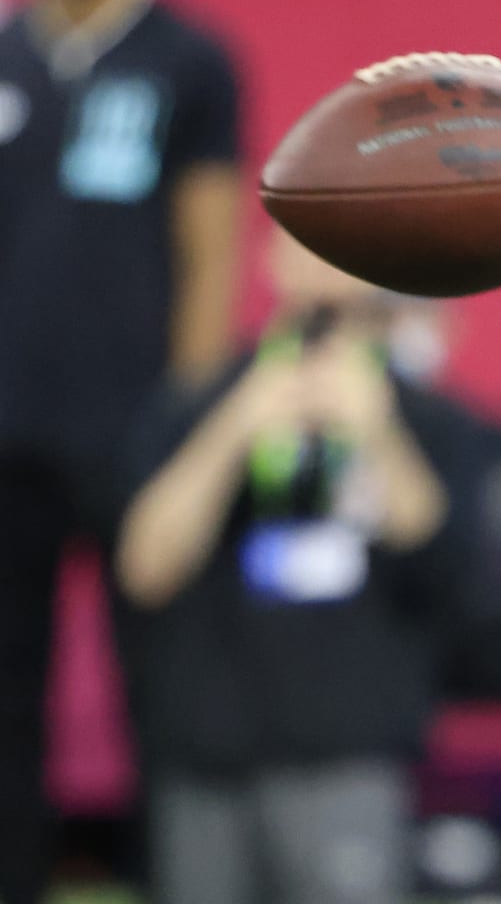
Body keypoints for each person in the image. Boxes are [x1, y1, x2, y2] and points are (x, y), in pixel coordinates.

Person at [0, 0, 241, 904]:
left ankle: (167, 880)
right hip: (7, 431)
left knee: (163, 683)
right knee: (7, 690)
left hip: (134, 428)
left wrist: (186, 410)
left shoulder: (188, 57)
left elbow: (210, 244)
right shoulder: (4, 49)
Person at [110, 232, 480, 904]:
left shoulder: (430, 419)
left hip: (349, 756)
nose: (328, 261)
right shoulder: (197, 406)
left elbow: (447, 565)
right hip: (205, 757)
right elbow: (143, 567)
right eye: (307, 237)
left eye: (347, 238)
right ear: (271, 251)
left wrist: (376, 432)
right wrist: (235, 430)